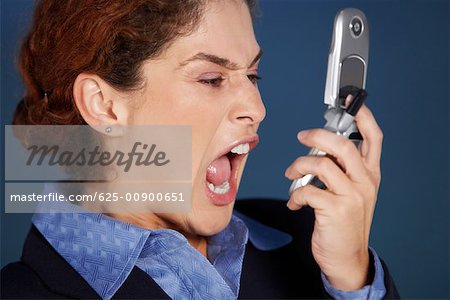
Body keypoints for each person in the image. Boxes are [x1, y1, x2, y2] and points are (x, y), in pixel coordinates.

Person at [1, 0, 399, 299]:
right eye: (212, 78)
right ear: (104, 105)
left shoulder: (308, 241)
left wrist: (352, 278)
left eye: (252, 75)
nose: (257, 109)